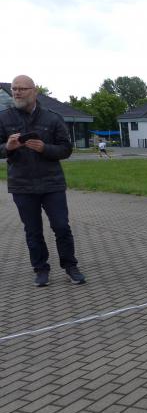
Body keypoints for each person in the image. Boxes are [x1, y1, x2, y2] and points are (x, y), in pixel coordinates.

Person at [0, 75, 86, 287]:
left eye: (22, 89)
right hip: (22, 184)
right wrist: (7, 147)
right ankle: (40, 269)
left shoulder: (52, 118)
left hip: (51, 183)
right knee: (33, 231)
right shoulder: (4, 118)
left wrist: (44, 148)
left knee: (61, 227)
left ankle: (70, 266)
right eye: (14, 89)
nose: (17, 92)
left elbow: (66, 149)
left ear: (34, 91)